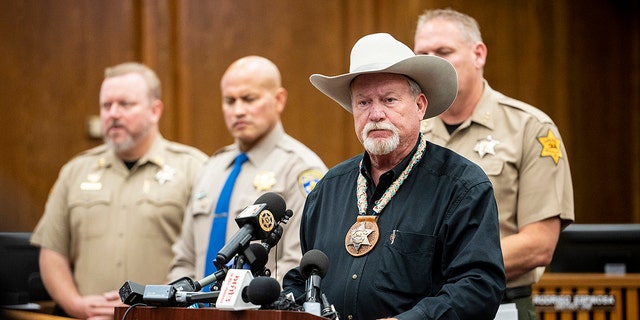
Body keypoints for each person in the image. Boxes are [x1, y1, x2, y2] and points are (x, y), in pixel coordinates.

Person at [282, 33, 505, 319]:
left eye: (389, 100)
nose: (375, 114)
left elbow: (478, 287)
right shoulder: (328, 188)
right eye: (363, 103)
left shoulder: (461, 186)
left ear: (420, 106)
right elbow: (306, 281)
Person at [414, 8, 575, 319]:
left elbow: (540, 244)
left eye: (444, 51)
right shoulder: (410, 134)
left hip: (500, 307)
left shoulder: (530, 128)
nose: (432, 61)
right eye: (423, 53)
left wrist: (443, 265)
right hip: (422, 309)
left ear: (478, 54)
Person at [30, 62, 208, 319]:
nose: (113, 114)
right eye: (106, 105)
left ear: (155, 110)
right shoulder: (75, 171)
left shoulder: (195, 168)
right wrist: (76, 305)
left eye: (125, 105)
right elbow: (52, 252)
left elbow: (207, 255)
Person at [168, 56, 327, 287]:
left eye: (249, 99)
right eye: (229, 101)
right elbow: (184, 258)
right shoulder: (211, 168)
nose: (238, 110)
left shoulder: (301, 169)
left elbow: (297, 263)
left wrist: (239, 299)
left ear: (279, 100)